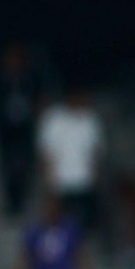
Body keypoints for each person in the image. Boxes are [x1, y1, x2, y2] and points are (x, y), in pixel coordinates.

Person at [37, 89, 104, 233]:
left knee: (86, 222)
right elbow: (46, 150)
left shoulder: (90, 118)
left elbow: (96, 150)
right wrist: (48, 176)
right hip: (61, 180)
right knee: (62, 221)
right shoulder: (53, 118)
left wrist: (95, 174)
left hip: (84, 180)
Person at [0, 44, 42, 217]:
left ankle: (25, 197)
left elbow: (37, 97)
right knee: (9, 166)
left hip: (25, 128)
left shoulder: (29, 78)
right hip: (6, 130)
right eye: (10, 59)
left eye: (16, 59)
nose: (13, 63)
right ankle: (12, 202)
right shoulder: (0, 79)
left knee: (25, 164)